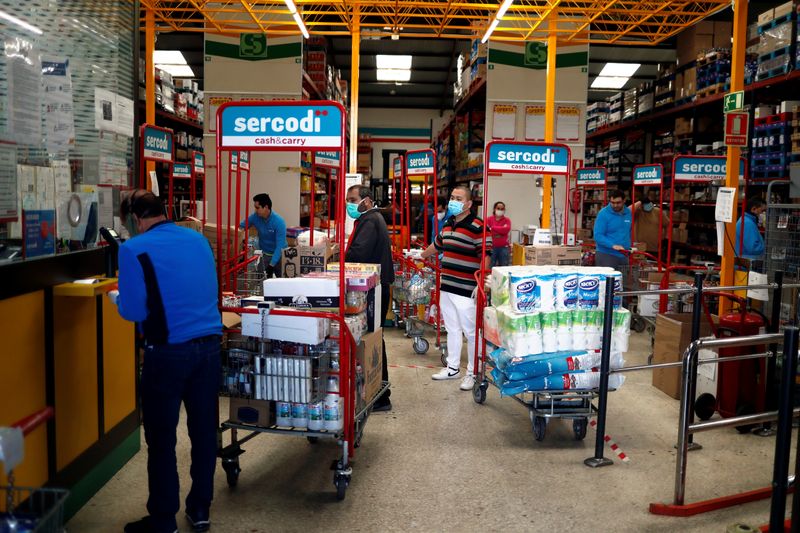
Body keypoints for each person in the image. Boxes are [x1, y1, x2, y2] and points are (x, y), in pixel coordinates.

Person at [109, 190, 222, 533]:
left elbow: (133, 311)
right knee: (204, 432)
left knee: (162, 439)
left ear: (136, 219)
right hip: (210, 348)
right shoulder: (198, 240)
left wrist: (116, 299)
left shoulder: (132, 249)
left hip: (167, 353)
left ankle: (163, 520)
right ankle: (200, 510)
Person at [421, 185, 491, 391]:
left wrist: (481, 285)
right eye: (452, 197)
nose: (453, 201)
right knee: (451, 328)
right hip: (447, 285)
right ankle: (452, 368)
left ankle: (473, 372)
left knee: (471, 332)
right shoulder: (448, 223)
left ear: (468, 204)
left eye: (458, 198)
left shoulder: (479, 226)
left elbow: (486, 256)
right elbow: (438, 244)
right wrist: (421, 255)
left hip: (467, 288)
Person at [344, 185, 395, 411]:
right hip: (376, 286)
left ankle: (382, 394)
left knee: (373, 338)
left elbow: (358, 254)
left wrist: (339, 258)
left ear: (365, 200)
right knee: (374, 337)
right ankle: (377, 390)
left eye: (352, 199)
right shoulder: (372, 218)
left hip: (374, 289)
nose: (349, 204)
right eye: (347, 200)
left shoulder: (369, 221)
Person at [239, 193, 287, 278]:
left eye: (257, 208)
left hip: (280, 255)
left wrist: (272, 265)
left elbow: (280, 247)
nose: (255, 210)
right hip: (264, 254)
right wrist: (238, 239)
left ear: (266, 207)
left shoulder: (279, 222)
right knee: (262, 282)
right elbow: (241, 227)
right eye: (255, 207)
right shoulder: (255, 217)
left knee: (282, 281)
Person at [593, 189, 632, 269]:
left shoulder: (628, 213)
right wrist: (612, 245)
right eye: (612, 203)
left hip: (624, 255)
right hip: (606, 255)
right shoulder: (603, 214)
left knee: (623, 281)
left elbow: (628, 231)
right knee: (608, 281)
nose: (615, 205)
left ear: (624, 200)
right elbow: (598, 235)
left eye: (618, 203)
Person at [487, 201, 511, 267]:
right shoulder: (488, 219)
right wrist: (501, 230)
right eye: (498, 208)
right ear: (494, 209)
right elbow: (487, 232)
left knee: (504, 268)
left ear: (504, 210)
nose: (500, 210)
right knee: (489, 267)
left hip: (503, 248)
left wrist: (493, 228)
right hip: (491, 247)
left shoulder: (507, 220)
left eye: (502, 209)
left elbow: (506, 230)